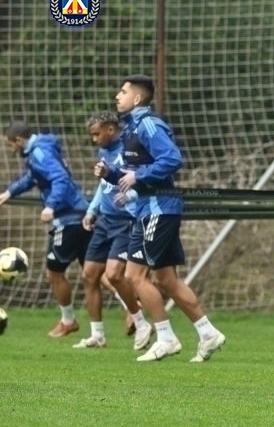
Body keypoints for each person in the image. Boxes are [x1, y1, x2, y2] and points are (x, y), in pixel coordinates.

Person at [95, 74, 225, 362]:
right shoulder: (132, 128)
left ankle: (166, 338)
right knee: (164, 279)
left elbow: (172, 159)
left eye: (123, 91)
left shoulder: (149, 124)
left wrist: (137, 176)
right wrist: (111, 174)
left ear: (137, 98)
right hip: (147, 209)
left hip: (159, 209)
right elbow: (134, 175)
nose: (117, 96)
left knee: (136, 276)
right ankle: (207, 333)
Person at [0, 121, 92, 337]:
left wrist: (50, 206)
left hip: (68, 218)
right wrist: (9, 192)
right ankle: (133, 313)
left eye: (10, 144)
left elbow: (60, 178)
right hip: (80, 214)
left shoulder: (39, 153)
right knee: (94, 271)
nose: (11, 149)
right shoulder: (41, 149)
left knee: (54, 272)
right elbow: (33, 178)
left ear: (19, 140)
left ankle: (68, 321)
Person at [73, 111, 153, 350]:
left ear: (110, 129)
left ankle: (141, 322)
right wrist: (92, 210)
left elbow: (146, 177)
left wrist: (131, 195)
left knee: (115, 274)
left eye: (97, 134)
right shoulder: (103, 151)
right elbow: (103, 185)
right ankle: (97, 335)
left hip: (127, 221)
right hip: (105, 220)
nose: (94, 139)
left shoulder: (131, 147)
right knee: (89, 275)